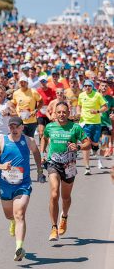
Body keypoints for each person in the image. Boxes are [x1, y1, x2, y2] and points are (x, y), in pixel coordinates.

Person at [0, 116, 42, 261]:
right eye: (11, 127)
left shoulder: (29, 141)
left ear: (22, 127)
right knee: (10, 215)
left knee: (20, 214)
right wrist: (1, 167)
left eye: (17, 126)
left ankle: (19, 248)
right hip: (5, 184)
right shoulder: (1, 141)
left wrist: (40, 170)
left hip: (23, 184)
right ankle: (12, 222)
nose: (14, 129)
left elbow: (36, 152)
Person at [40, 101, 90, 241]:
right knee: (54, 193)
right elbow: (44, 138)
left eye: (64, 112)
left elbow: (88, 143)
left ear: (69, 113)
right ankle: (54, 228)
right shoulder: (50, 127)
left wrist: (79, 147)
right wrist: (42, 153)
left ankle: (64, 216)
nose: (61, 114)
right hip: (53, 163)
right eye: (59, 112)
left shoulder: (75, 128)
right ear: (55, 113)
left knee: (65, 197)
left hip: (69, 166)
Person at [77, 80, 108, 175]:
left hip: (96, 123)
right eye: (85, 86)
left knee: (95, 142)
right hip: (85, 122)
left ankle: (96, 146)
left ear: (92, 86)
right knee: (86, 144)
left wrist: (97, 111)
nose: (87, 87)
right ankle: (87, 167)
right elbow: (79, 106)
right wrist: (78, 113)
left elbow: (105, 107)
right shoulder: (81, 95)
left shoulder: (97, 95)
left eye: (89, 86)